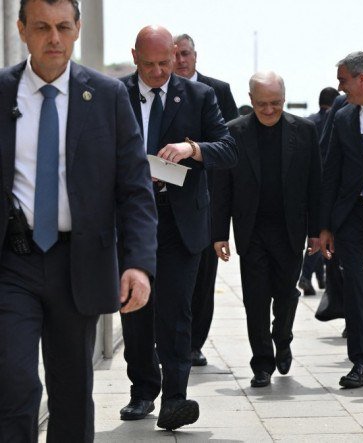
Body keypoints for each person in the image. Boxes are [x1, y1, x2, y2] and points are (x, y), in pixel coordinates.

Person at [0, 0, 157, 440]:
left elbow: (134, 189)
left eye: (63, 27)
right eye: (42, 27)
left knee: (71, 392)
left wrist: (138, 264)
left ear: (77, 29)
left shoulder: (107, 97)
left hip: (79, 264)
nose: (54, 38)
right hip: (14, 263)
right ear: (22, 30)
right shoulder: (2, 93)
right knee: (13, 383)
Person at [118, 25, 237, 431]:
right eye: (148, 64)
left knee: (176, 310)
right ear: (134, 56)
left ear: (175, 55)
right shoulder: (115, 95)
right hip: (132, 219)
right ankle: (142, 391)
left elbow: (230, 148)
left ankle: (175, 398)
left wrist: (193, 149)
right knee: (135, 309)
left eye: (165, 63)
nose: (157, 72)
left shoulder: (201, 96)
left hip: (180, 220)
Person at [212, 72, 321, 389]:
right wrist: (219, 234)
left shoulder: (304, 131)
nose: (269, 110)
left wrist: (316, 230)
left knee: (286, 294)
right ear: (250, 100)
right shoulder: (233, 133)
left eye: (275, 103)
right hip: (252, 230)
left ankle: (282, 338)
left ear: (284, 100)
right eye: (262, 104)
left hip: (290, 230)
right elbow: (222, 189)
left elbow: (316, 184)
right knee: (255, 299)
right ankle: (261, 363)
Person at [172, 32, 240, 368]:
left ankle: (194, 343)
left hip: (206, 199)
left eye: (185, 53)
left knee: (203, 278)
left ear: (195, 56)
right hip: (165, 195)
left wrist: (196, 149)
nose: (180, 60)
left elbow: (229, 145)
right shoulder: (158, 94)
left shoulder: (216, 91)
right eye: (175, 55)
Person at [320, 52, 363, 389]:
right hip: (352, 215)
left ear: (360, 79)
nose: (341, 88)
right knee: (355, 286)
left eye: (344, 81)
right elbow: (331, 172)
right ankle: (362, 361)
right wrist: (325, 226)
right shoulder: (342, 117)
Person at [298, 86, 339, 296]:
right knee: (321, 235)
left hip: (308, 185)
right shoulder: (337, 119)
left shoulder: (310, 122)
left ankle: (317, 277)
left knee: (314, 233)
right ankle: (307, 275)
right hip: (329, 186)